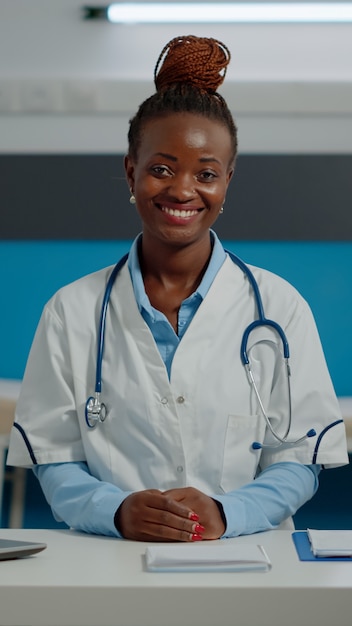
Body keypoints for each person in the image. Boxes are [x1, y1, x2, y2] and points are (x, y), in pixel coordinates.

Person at [7, 35, 348, 542]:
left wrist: (229, 513)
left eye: (206, 173)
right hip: (110, 563)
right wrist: (117, 510)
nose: (183, 190)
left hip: (250, 561)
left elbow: (300, 458)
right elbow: (54, 459)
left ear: (227, 181)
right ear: (131, 172)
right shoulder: (71, 311)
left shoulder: (279, 307)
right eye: (161, 169)